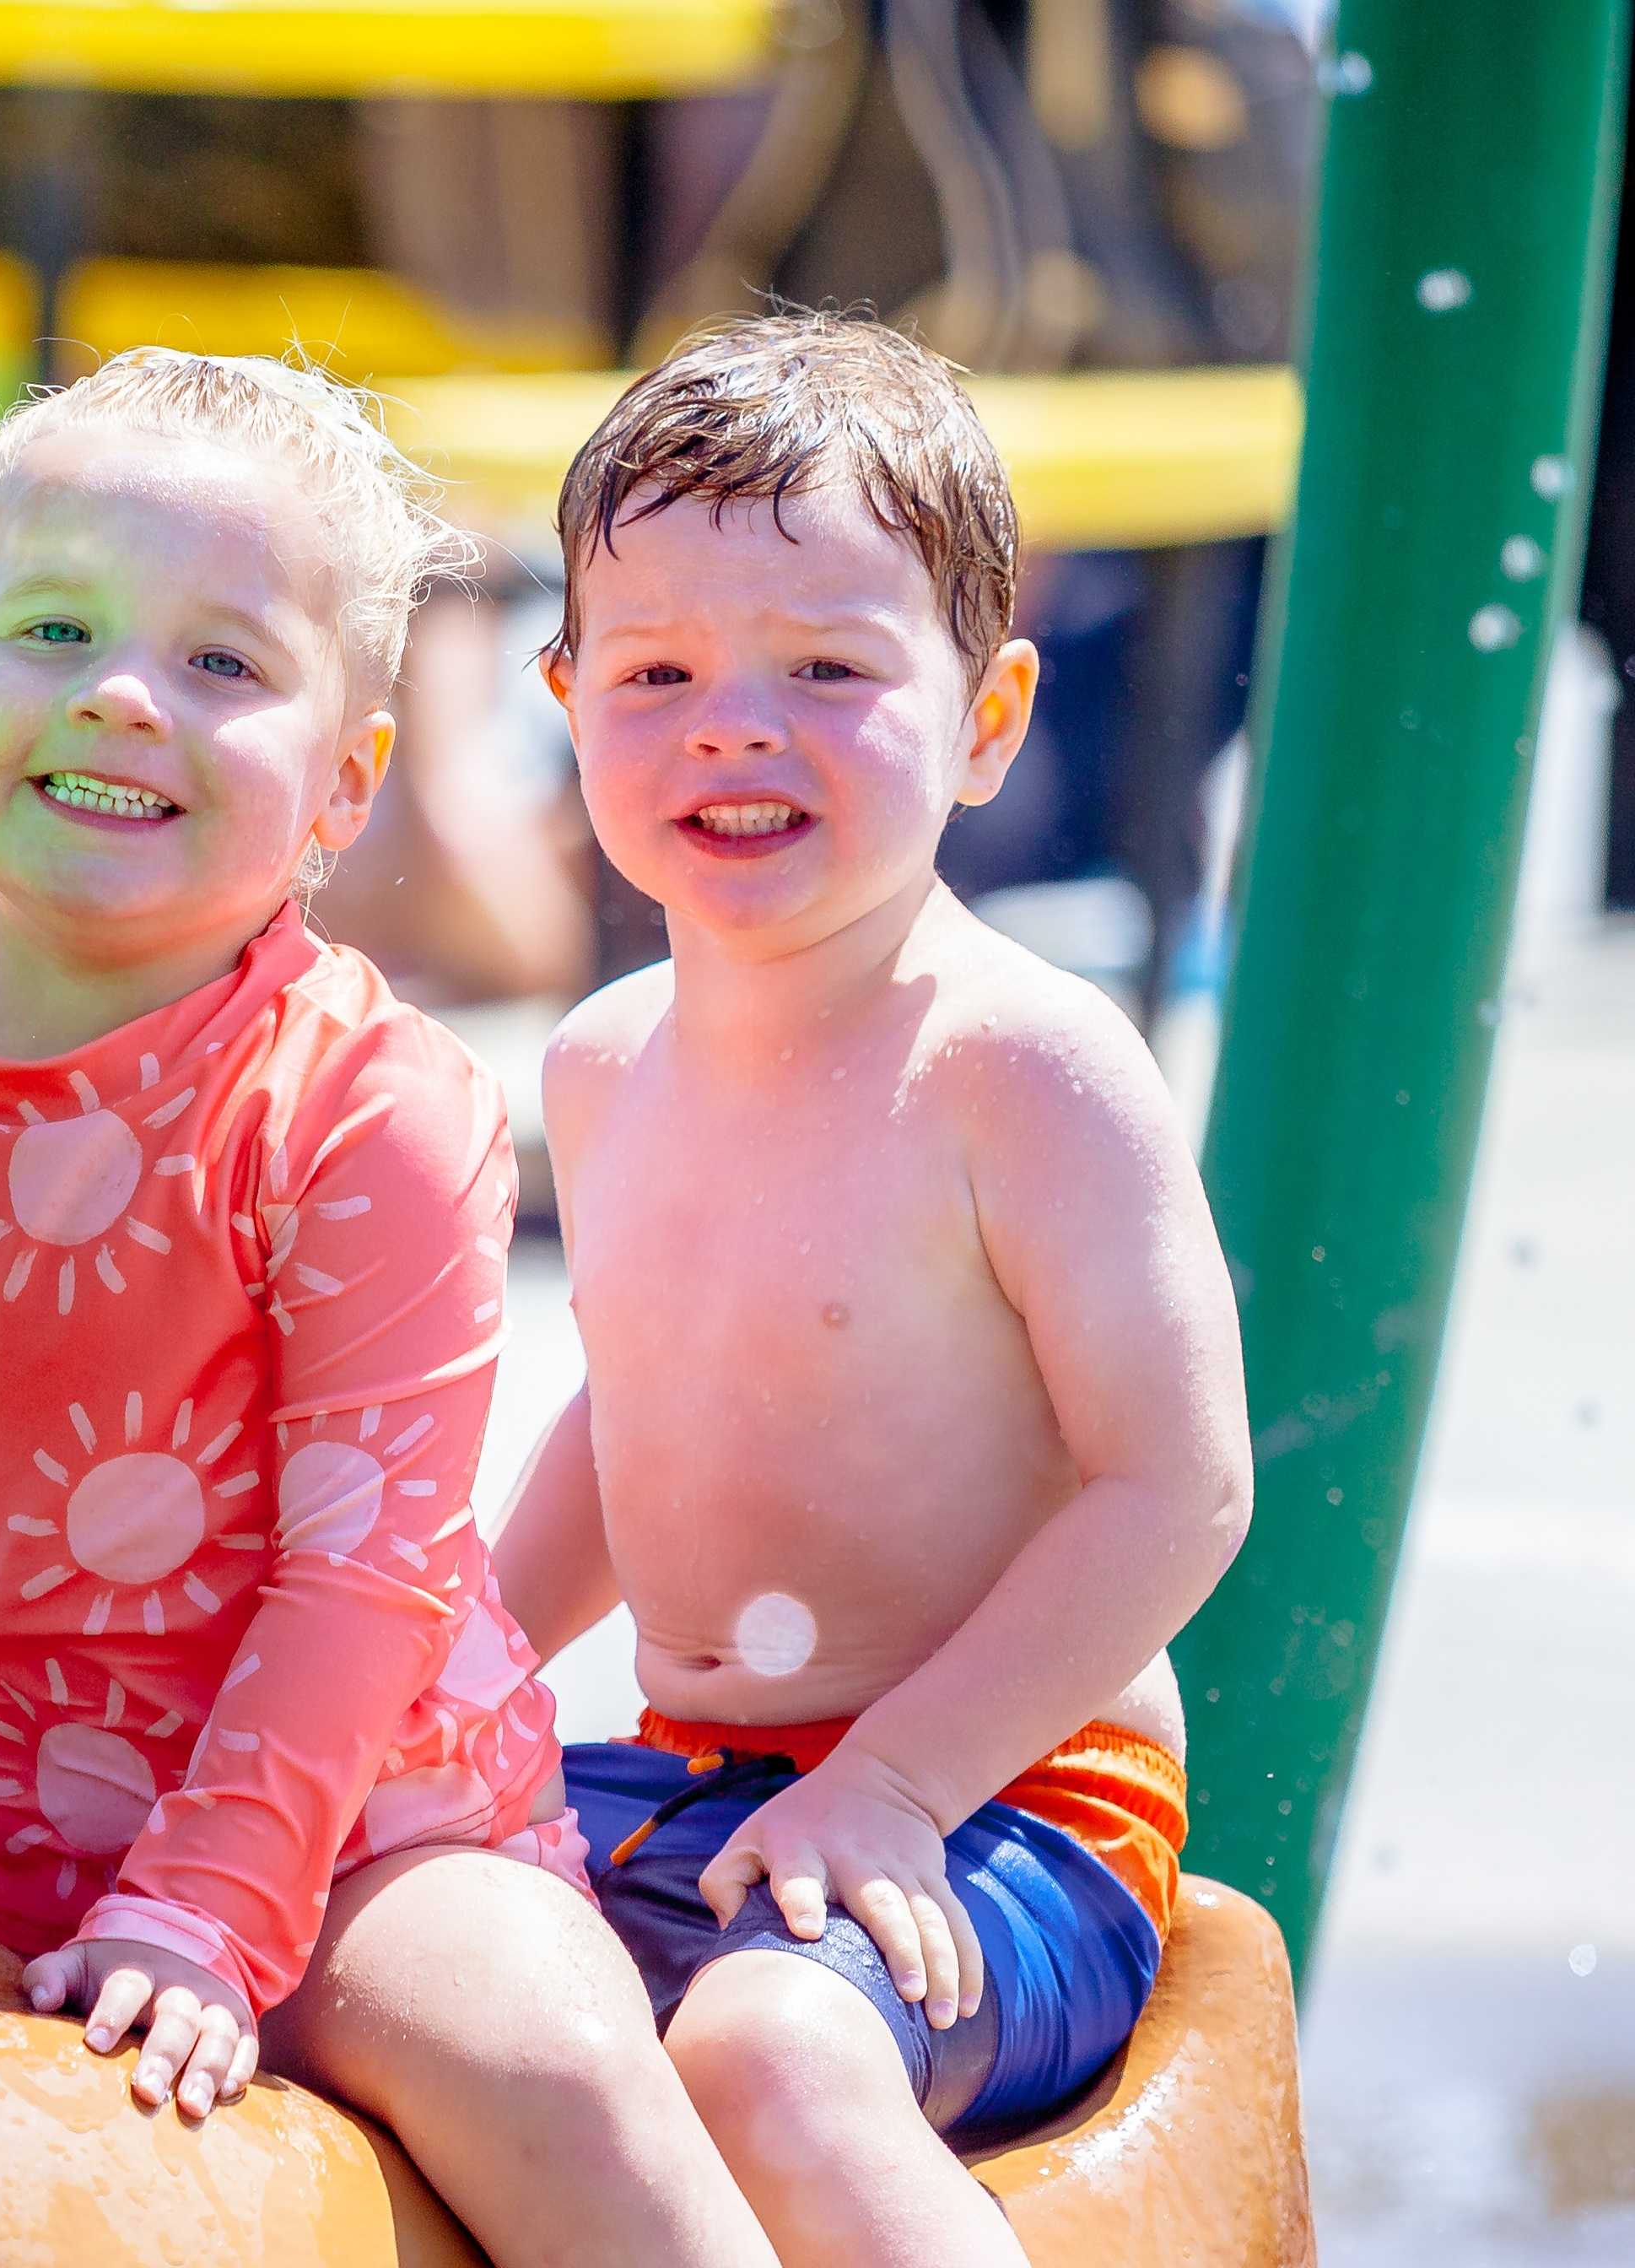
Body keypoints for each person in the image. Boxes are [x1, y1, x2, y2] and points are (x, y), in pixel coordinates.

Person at [0, 348, 776, 2265]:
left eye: (225, 665)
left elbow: (365, 1577)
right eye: (54, 629)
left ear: (345, 784)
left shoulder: (360, 1107)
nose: (124, 695)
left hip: (368, 1845)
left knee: (547, 2056)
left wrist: (214, 1905)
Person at [495, 311, 1255, 2265]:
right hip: (685, 1773)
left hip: (1011, 1802)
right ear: (569, 705)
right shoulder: (599, 1061)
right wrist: (460, 1664)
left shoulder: (1022, 1064)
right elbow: (635, 1402)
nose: (734, 723)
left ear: (990, 721)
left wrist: (901, 1781)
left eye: (828, 668)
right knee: (364, 1934)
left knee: (767, 2050)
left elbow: (1176, 1484)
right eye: (657, 671)